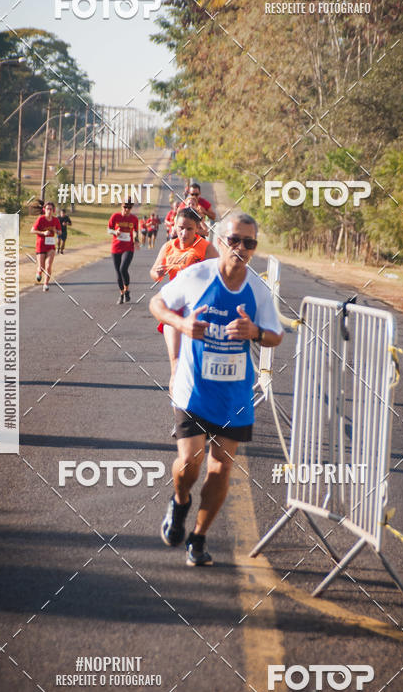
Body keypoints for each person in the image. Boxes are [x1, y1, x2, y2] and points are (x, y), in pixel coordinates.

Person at [149, 212, 283, 566]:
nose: (241, 248)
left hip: (234, 397)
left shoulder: (257, 288)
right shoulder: (197, 275)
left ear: (254, 248)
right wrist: (182, 322)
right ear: (221, 240)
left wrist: (254, 332)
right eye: (235, 240)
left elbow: (276, 334)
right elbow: (157, 304)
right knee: (189, 463)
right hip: (193, 388)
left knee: (221, 468)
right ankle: (179, 503)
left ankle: (199, 537)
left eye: (249, 243)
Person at [149, 207, 218, 391]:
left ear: (197, 229)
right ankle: (180, 417)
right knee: (176, 363)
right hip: (174, 309)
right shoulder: (168, 246)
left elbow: (220, 275)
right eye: (180, 228)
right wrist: (157, 272)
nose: (184, 233)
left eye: (189, 229)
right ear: (174, 227)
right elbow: (155, 272)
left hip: (199, 309)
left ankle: (199, 409)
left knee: (197, 365)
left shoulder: (205, 247)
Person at [108, 201, 139, 303]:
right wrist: (115, 232)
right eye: (125, 207)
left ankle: (127, 289)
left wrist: (136, 239)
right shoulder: (115, 216)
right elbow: (109, 230)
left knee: (123, 269)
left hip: (128, 247)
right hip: (116, 247)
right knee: (118, 273)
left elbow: (135, 231)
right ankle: (122, 294)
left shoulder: (134, 219)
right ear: (121, 206)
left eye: (129, 207)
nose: (127, 209)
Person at [32, 201, 61, 292]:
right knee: (41, 267)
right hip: (41, 245)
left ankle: (45, 284)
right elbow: (32, 230)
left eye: (51, 209)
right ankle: (39, 272)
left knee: (48, 266)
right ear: (44, 209)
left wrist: (55, 230)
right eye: (47, 209)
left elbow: (60, 232)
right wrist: (43, 233)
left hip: (50, 245)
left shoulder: (55, 220)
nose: (49, 211)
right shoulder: (41, 219)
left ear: (53, 210)